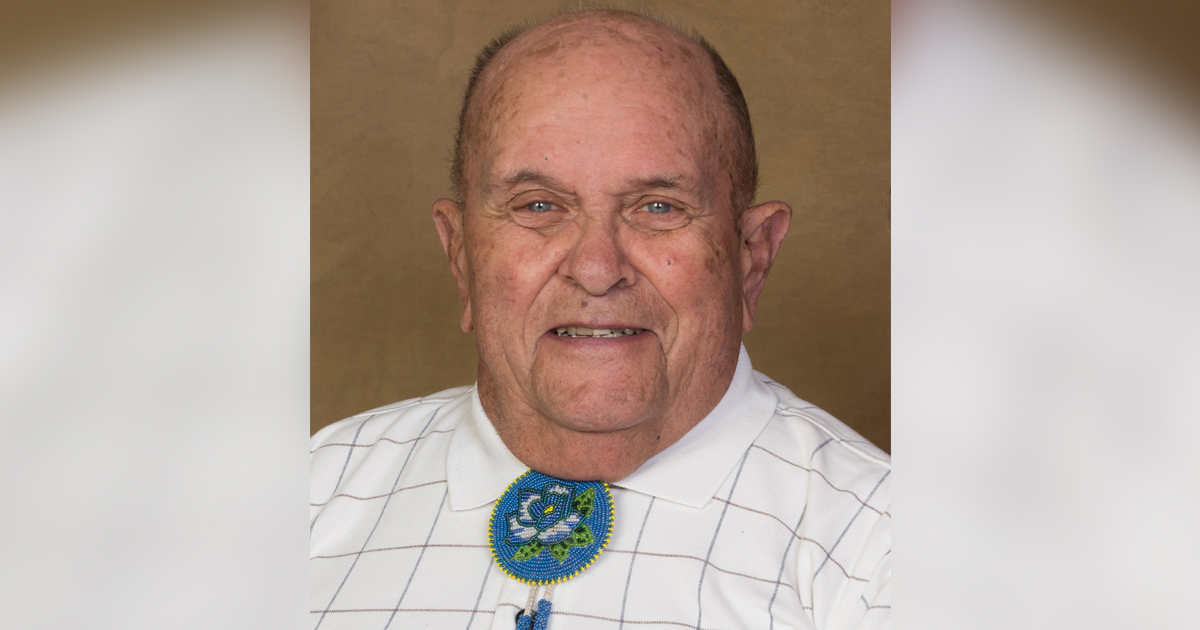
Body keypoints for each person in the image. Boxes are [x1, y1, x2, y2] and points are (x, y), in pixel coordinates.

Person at [310, 8, 890, 630]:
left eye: (658, 207)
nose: (595, 269)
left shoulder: (883, 549)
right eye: (538, 206)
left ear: (753, 257)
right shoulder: (307, 496)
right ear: (460, 255)